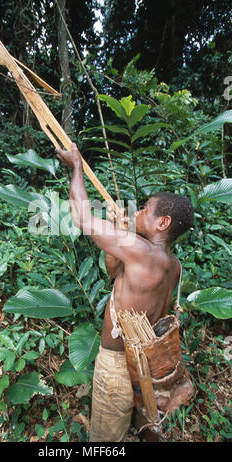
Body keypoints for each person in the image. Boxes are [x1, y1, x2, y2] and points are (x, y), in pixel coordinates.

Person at [56, 143, 194, 442]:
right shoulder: (172, 264)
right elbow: (113, 271)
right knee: (138, 419)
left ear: (163, 222)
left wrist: (77, 166)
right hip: (143, 361)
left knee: (105, 437)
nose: (139, 211)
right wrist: (124, 230)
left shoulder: (140, 251)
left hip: (118, 362)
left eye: (146, 209)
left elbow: (82, 218)